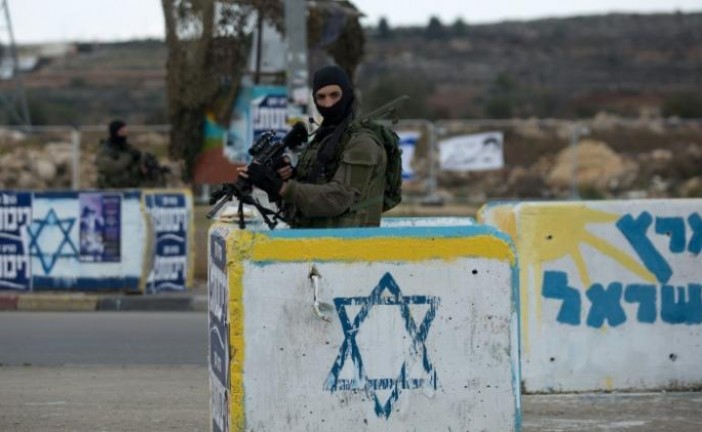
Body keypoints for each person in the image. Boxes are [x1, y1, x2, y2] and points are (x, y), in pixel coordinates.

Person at [243, 65, 388, 228]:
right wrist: (284, 177)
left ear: (347, 94)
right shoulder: (322, 139)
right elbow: (310, 193)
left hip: (349, 245)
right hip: (317, 240)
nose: (328, 103)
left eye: (335, 95)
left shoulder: (362, 143)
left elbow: (338, 198)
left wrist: (281, 187)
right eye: (321, 97)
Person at [96, 120, 168, 188]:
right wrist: (129, 157)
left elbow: (137, 161)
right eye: (122, 131)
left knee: (157, 177)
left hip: (130, 182)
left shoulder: (127, 147)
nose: (125, 134)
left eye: (126, 131)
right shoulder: (106, 150)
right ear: (115, 132)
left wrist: (148, 167)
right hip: (112, 184)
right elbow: (112, 169)